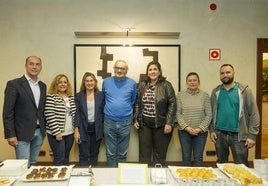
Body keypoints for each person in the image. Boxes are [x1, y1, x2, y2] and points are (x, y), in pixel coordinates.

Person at [209, 64, 260, 167]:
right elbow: (211, 113)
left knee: (242, 166)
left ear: (233, 73)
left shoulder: (244, 91)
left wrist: (252, 136)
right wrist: (212, 130)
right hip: (219, 134)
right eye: (222, 73)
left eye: (228, 72)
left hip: (239, 136)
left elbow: (254, 114)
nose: (225, 75)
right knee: (221, 165)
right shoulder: (216, 92)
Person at [2, 56, 47, 167]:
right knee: (22, 165)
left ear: (41, 67)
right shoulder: (14, 84)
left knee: (33, 164)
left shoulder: (43, 86)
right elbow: (8, 112)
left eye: (37, 64)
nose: (34, 67)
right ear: (25, 66)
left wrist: (43, 130)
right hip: (21, 133)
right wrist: (10, 134)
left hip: (39, 132)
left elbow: (41, 109)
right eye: (31, 64)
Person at [133, 61, 177, 166]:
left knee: (160, 154)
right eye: (150, 69)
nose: (153, 71)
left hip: (162, 125)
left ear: (159, 72)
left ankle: (158, 179)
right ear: (147, 72)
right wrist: (135, 119)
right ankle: (145, 180)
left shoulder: (166, 85)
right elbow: (138, 103)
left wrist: (169, 123)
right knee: (144, 155)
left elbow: (172, 104)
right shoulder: (142, 85)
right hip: (145, 125)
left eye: (155, 69)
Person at [102, 59, 137, 167]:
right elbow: (103, 99)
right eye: (117, 67)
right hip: (109, 121)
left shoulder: (132, 83)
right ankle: (111, 178)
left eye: (122, 68)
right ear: (114, 68)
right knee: (110, 153)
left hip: (125, 122)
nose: (119, 70)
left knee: (122, 153)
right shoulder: (106, 82)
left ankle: (120, 178)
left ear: (126, 70)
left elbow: (133, 100)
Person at [176, 72, 212, 167]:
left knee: (198, 158)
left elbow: (209, 115)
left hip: (201, 133)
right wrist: (187, 128)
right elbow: (177, 114)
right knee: (186, 157)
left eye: (194, 80)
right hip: (184, 132)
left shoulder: (205, 95)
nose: (192, 82)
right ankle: (185, 181)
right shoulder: (180, 95)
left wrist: (199, 129)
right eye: (190, 80)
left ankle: (198, 181)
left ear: (199, 82)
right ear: (186, 82)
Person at [44, 74, 76, 166]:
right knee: (59, 158)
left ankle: (65, 177)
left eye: (65, 82)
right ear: (55, 84)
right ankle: (57, 179)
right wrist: (57, 132)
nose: (63, 84)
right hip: (57, 133)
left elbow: (75, 114)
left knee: (66, 157)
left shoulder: (71, 97)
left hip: (70, 133)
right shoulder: (51, 97)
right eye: (60, 82)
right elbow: (49, 115)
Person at [74, 72, 105, 166]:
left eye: (91, 80)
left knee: (94, 154)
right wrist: (76, 130)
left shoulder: (101, 95)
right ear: (84, 83)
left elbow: (103, 112)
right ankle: (82, 178)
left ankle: (93, 177)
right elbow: (77, 114)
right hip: (83, 129)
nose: (89, 83)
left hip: (97, 129)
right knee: (83, 154)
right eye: (87, 81)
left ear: (95, 82)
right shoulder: (79, 96)